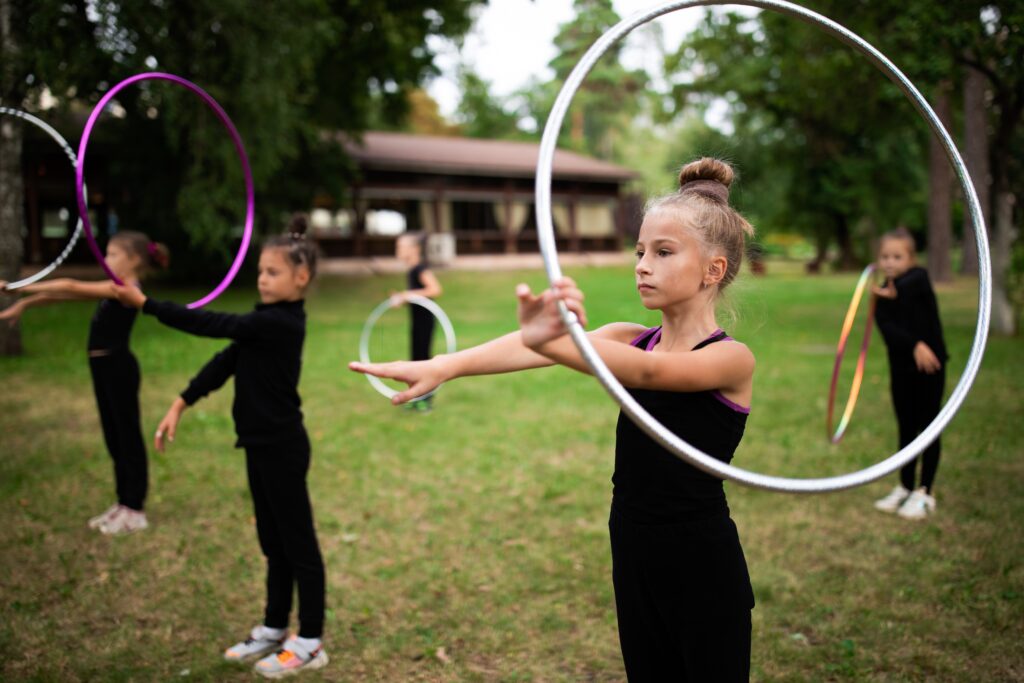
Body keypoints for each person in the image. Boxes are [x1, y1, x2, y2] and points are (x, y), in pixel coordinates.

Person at [352, 158, 757, 681]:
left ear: (713, 269)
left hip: (701, 559)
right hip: (632, 542)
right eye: (639, 251)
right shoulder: (629, 333)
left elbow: (651, 373)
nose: (641, 265)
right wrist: (444, 365)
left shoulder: (730, 359)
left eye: (663, 252)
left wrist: (551, 338)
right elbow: (532, 350)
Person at [113, 215, 328, 678]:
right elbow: (225, 360)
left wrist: (147, 303)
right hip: (258, 445)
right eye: (260, 271)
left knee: (298, 544)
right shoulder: (261, 325)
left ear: (301, 277)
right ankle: (274, 626)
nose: (262, 278)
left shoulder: (282, 324)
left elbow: (212, 324)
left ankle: (310, 638)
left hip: (283, 447)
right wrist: (181, 401)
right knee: (273, 543)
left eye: (272, 272)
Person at [1, 231, 169, 535]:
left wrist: (18, 288)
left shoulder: (126, 288)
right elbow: (65, 294)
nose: (105, 261)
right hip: (103, 367)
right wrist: (25, 305)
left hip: (118, 368)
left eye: (112, 255)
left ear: (132, 260)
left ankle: (135, 509)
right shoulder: (113, 288)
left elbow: (70, 285)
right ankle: (123, 502)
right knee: (113, 437)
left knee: (127, 437)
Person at [871, 227, 948, 520]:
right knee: (906, 425)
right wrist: (913, 344)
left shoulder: (918, 279)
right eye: (885, 256)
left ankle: (925, 490)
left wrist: (894, 291)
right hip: (902, 369)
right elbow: (888, 331)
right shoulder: (882, 294)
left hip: (931, 368)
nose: (890, 262)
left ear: (911, 258)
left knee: (928, 425)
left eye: (897, 256)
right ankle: (905, 486)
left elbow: (911, 284)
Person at [390, 231, 442, 412]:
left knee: (422, 361)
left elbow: (435, 289)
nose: (397, 250)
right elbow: (418, 297)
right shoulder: (411, 270)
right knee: (415, 359)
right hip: (417, 320)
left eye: (400, 246)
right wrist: (403, 299)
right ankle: (418, 397)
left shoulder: (420, 269)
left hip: (425, 321)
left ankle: (425, 401)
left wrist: (408, 294)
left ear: (414, 249)